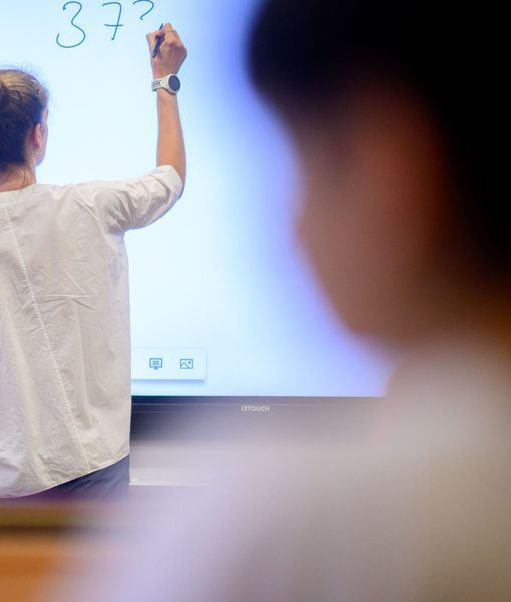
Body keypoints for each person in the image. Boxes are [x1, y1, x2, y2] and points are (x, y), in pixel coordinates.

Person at [64, 0, 511, 598]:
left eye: (306, 162)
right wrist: (163, 83)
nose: (295, 226)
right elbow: (167, 178)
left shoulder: (280, 531)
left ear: (392, 169)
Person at [0, 27, 188, 500]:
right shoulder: (92, 206)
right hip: (91, 467)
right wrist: (165, 80)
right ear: (38, 134)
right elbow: (170, 180)